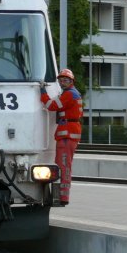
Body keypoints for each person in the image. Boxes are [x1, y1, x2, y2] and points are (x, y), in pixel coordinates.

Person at [40, 68, 83, 205]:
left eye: (65, 80)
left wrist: (42, 92)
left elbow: (51, 105)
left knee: (64, 166)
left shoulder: (69, 94)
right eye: (61, 80)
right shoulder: (71, 93)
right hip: (68, 133)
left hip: (67, 134)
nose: (62, 82)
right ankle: (62, 196)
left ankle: (64, 198)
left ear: (71, 81)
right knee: (63, 165)